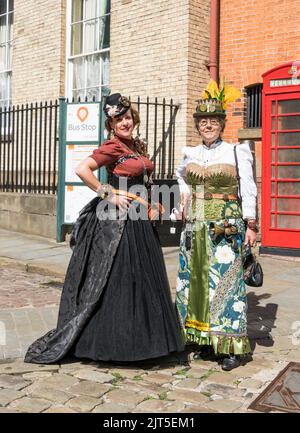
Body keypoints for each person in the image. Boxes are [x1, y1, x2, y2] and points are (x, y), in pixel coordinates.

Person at [25, 93, 184, 364]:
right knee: (119, 278)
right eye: (118, 119)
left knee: (142, 277)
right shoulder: (113, 147)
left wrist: (154, 201)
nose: (125, 122)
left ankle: (145, 341)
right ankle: (116, 344)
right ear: (111, 124)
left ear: (134, 118)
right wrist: (107, 193)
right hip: (119, 221)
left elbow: (143, 179)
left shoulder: (136, 146)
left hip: (139, 217)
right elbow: (82, 169)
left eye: (128, 117)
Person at [175, 79, 258, 371]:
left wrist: (251, 225)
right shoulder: (190, 154)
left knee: (226, 283)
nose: (208, 125)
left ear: (222, 124)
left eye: (214, 121)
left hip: (225, 228)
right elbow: (182, 181)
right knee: (194, 282)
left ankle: (229, 346)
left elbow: (248, 189)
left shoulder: (237, 152)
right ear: (197, 125)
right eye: (203, 121)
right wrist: (182, 205)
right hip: (195, 227)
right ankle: (199, 337)